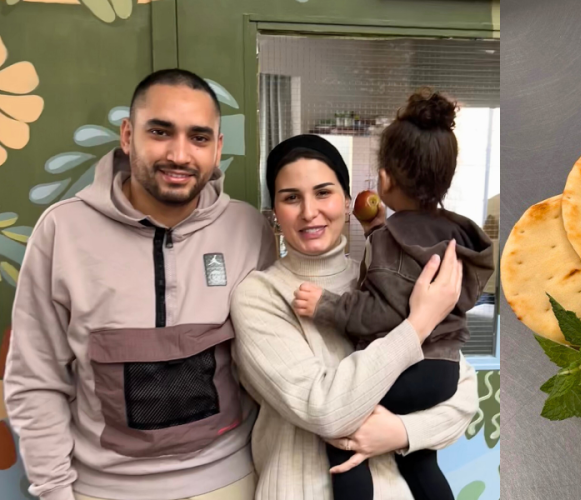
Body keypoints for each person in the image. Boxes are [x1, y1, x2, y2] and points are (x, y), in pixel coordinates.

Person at [3, 69, 275, 500]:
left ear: (218, 148)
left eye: (199, 138)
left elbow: (271, 363)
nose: (180, 154)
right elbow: (36, 379)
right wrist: (55, 491)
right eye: (161, 132)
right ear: (128, 136)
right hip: (103, 489)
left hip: (229, 481)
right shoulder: (62, 231)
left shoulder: (248, 229)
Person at [230, 131, 478, 499]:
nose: (309, 211)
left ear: (348, 203)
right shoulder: (260, 295)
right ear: (275, 212)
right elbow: (325, 409)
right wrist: (419, 323)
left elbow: (463, 393)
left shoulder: (383, 275)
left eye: (323, 192)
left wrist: (402, 433)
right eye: (291, 198)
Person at [288, 89, 493, 500]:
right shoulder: (454, 232)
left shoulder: (392, 242)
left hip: (412, 368)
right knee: (417, 458)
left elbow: (381, 310)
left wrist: (327, 306)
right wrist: (378, 230)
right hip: (445, 369)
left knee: (344, 424)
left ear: (383, 179)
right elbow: (408, 277)